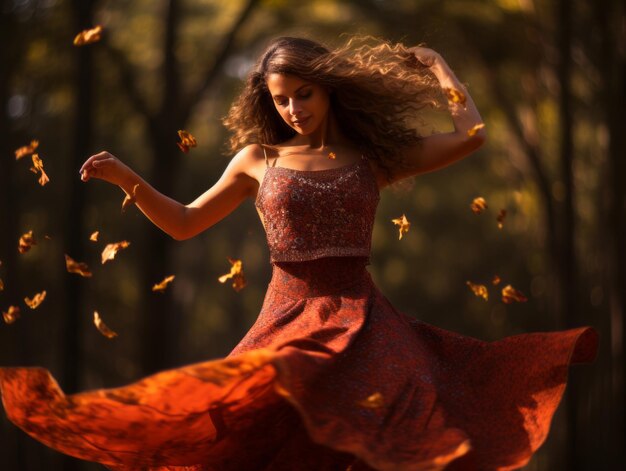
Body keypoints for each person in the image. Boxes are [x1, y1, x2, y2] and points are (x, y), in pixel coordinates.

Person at [0, 36, 598, 470]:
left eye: (304, 94)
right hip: (286, 322)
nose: (293, 109)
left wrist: (442, 68)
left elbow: (472, 135)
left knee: (385, 441)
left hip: (367, 327)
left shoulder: (371, 158)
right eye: (282, 99)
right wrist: (126, 178)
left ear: (329, 89)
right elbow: (184, 223)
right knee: (243, 430)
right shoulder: (258, 159)